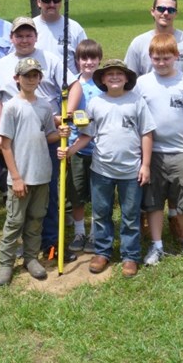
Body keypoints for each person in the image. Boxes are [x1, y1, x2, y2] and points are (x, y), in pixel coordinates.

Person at [0, 17, 82, 262]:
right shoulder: (3, 65)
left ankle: (50, 241)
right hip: (14, 137)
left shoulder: (50, 59)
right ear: (12, 38)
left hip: (45, 135)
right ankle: (21, 243)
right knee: (17, 190)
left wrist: (65, 115)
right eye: (19, 35)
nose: (24, 39)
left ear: (36, 37)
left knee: (47, 191)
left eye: (29, 35)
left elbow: (75, 85)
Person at [124, 0, 183, 242]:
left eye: (171, 10)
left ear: (176, 13)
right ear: (152, 11)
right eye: (161, 8)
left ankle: (176, 218)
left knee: (179, 177)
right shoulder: (138, 43)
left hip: (179, 119)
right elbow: (127, 82)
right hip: (146, 126)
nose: (166, 13)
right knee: (148, 175)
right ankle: (146, 217)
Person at [58, 59, 156, 278]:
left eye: (119, 74)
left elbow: (146, 133)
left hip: (131, 171)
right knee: (101, 213)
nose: (114, 77)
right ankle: (102, 251)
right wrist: (71, 150)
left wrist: (146, 165)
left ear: (127, 78)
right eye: (109, 74)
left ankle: (130, 255)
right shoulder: (95, 103)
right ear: (102, 79)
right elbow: (87, 134)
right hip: (101, 170)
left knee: (130, 215)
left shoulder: (137, 101)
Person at [134, 33, 183, 266]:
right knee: (153, 201)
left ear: (176, 56)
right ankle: (156, 245)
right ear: (150, 57)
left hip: (181, 152)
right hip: (152, 154)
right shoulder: (142, 83)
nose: (161, 63)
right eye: (156, 58)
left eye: (166, 58)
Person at [0, 57, 61, 286]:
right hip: (20, 177)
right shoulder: (12, 107)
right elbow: (5, 145)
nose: (31, 79)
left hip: (42, 174)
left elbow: (48, 135)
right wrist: (16, 177)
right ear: (17, 79)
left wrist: (62, 133)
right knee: (15, 221)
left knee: (36, 219)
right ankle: (6, 263)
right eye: (26, 76)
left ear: (40, 78)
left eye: (35, 75)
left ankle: (31, 258)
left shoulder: (45, 106)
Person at [66, 40, 103, 254]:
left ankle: (94, 233)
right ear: (77, 60)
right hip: (77, 148)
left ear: (99, 59)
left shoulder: (104, 85)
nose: (88, 62)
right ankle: (79, 231)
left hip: (100, 149)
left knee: (98, 193)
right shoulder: (73, 85)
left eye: (92, 58)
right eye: (84, 58)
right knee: (77, 192)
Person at [33, 0, 87, 75]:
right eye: (46, 0)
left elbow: (85, 62)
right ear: (39, 2)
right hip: (36, 86)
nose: (52, 4)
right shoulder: (29, 27)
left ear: (61, 2)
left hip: (69, 87)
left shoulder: (75, 28)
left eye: (56, 0)